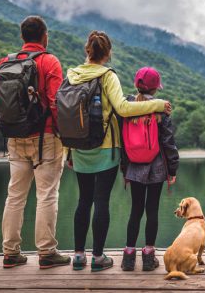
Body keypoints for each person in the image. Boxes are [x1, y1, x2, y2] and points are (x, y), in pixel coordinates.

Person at [69, 31, 172, 272]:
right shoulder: (107, 75)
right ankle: (97, 258)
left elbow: (67, 113)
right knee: (101, 200)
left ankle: (78, 257)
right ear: (108, 53)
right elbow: (124, 109)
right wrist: (158, 105)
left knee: (83, 200)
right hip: (105, 149)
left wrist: (68, 151)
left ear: (87, 50)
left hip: (78, 148)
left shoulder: (72, 74)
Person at [0, 16, 70, 269]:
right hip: (45, 137)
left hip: (14, 137)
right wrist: (63, 134)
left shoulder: (4, 62)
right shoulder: (49, 61)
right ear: (44, 36)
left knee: (15, 196)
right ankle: (47, 253)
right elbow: (56, 102)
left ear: (23, 37)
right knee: (46, 195)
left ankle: (10, 253)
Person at [120, 67, 179, 271]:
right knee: (151, 210)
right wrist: (172, 170)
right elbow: (168, 142)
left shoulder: (127, 107)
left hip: (134, 166)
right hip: (156, 166)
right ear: (155, 89)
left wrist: (123, 168)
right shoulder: (161, 110)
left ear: (136, 84)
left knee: (135, 210)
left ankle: (128, 257)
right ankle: (148, 257)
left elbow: (122, 140)